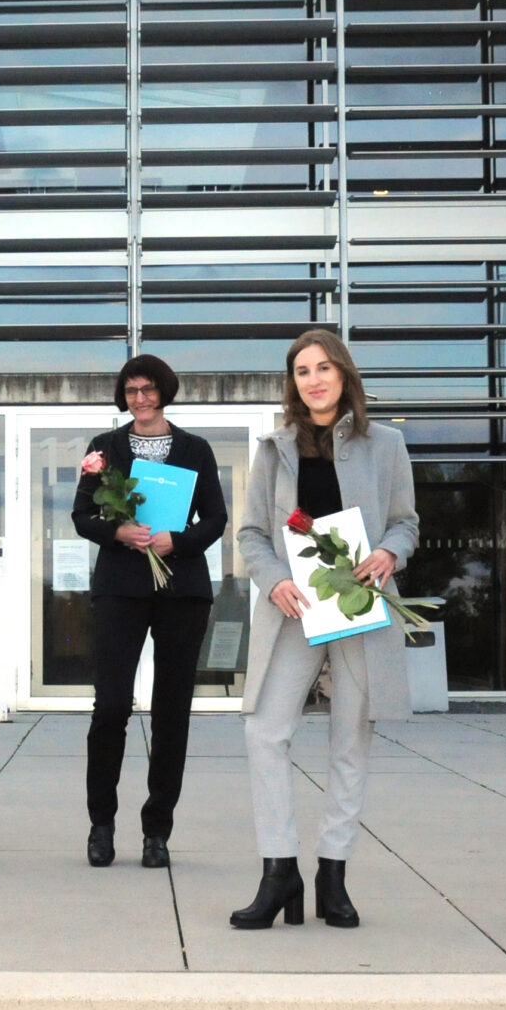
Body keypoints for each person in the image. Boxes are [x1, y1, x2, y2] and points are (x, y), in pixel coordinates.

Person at [230, 329, 419, 930]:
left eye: (323, 368)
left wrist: (389, 553)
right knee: (265, 731)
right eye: (302, 372)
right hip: (295, 610)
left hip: (360, 610)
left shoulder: (385, 444)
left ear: (344, 375)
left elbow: (406, 523)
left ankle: (333, 873)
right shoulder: (273, 450)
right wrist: (272, 580)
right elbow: (252, 534)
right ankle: (278, 869)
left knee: (350, 742)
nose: (313, 380)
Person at [71, 353, 228, 870]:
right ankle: (101, 824)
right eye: (132, 390)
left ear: (165, 391)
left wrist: (174, 541)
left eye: (149, 389)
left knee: (171, 712)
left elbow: (216, 519)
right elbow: (82, 514)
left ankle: (157, 830)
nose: (140, 398)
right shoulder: (104, 449)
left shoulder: (195, 449)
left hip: (181, 590)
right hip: (120, 587)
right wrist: (116, 530)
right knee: (111, 705)